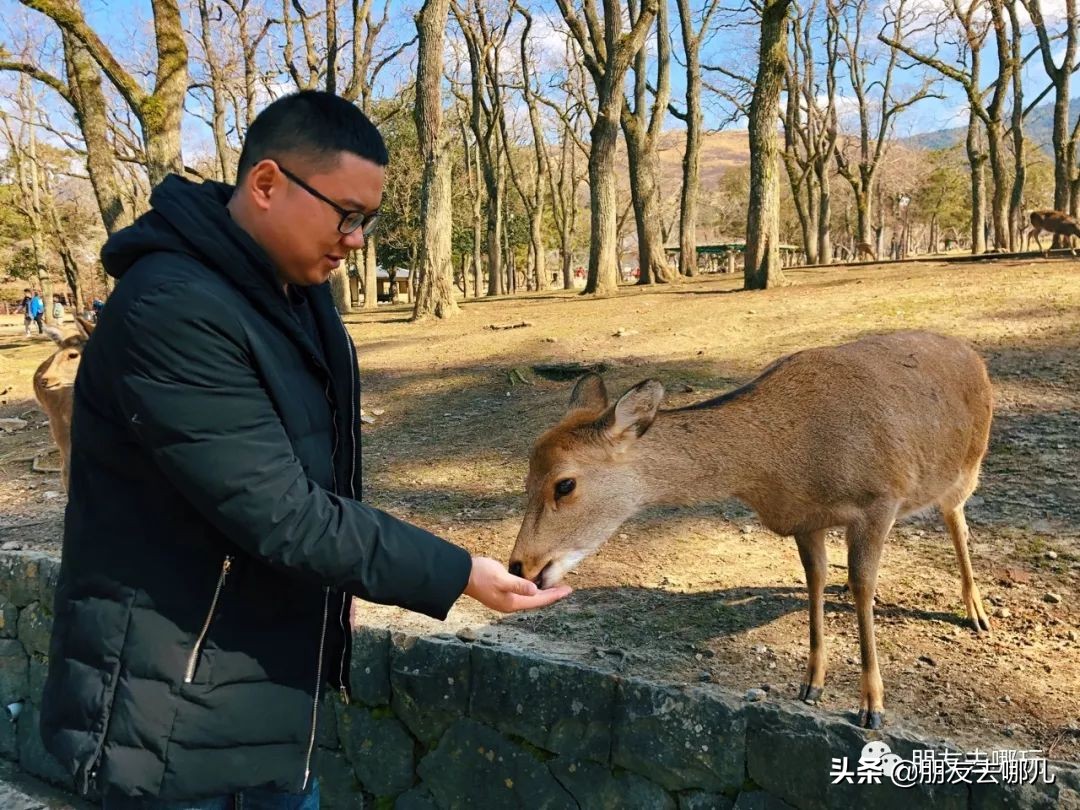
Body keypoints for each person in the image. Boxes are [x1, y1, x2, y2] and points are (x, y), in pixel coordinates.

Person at [40, 90, 570, 809]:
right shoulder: (172, 308)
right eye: (346, 215)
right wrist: (456, 572)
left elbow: (321, 482)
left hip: (262, 703)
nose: (357, 240)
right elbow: (281, 513)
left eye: (368, 221)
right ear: (265, 184)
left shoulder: (293, 296)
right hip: (167, 726)